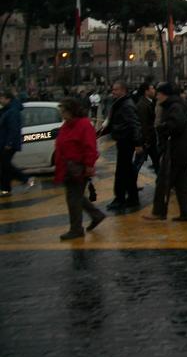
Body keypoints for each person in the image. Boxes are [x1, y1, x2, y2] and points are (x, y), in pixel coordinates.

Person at [53, 97, 105, 240]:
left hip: (77, 167)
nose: (62, 114)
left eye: (64, 111)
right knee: (75, 196)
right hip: (67, 167)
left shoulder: (83, 125)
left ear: (72, 111)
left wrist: (89, 165)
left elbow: (90, 147)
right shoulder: (67, 125)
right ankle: (96, 215)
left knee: (73, 199)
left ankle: (76, 228)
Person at [143, 83, 187, 221]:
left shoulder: (174, 107)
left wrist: (162, 128)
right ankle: (186, 213)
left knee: (163, 181)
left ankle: (159, 212)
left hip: (176, 150)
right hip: (182, 149)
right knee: (181, 182)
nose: (157, 96)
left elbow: (176, 124)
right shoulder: (176, 105)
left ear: (164, 94)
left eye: (158, 93)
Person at [97, 81, 143, 210]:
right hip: (123, 140)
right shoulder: (120, 104)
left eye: (116, 90)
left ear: (123, 90)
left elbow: (135, 124)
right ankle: (130, 198)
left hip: (126, 142)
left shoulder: (126, 105)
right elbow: (114, 123)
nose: (113, 92)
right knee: (126, 172)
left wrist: (138, 143)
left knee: (123, 172)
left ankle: (121, 198)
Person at [0, 90, 34, 196]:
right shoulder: (7, 110)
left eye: (1, 98)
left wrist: (9, 143)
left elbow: (13, 128)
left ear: (7, 99)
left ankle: (26, 179)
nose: (0, 100)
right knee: (4, 166)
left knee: (5, 164)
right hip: (5, 141)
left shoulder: (12, 111)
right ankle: (5, 188)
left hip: (8, 143)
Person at [134, 82, 158, 174]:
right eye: (152, 88)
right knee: (138, 162)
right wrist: (144, 141)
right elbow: (143, 125)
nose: (154, 90)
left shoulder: (149, 102)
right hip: (146, 140)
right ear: (146, 91)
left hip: (150, 139)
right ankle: (131, 185)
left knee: (156, 161)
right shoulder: (143, 105)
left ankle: (161, 184)